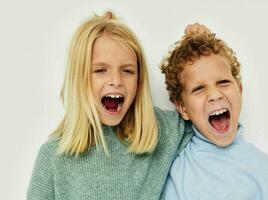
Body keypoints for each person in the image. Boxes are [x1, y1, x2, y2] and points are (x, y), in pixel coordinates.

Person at [27, 12, 194, 200]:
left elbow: (206, 116)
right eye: (100, 70)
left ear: (139, 81)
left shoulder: (162, 131)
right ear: (79, 78)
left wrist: (199, 47)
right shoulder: (53, 157)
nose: (116, 80)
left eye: (128, 71)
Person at [160, 24, 268, 199]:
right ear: (183, 108)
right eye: (199, 88)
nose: (214, 95)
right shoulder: (170, 161)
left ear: (239, 89)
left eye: (223, 82)